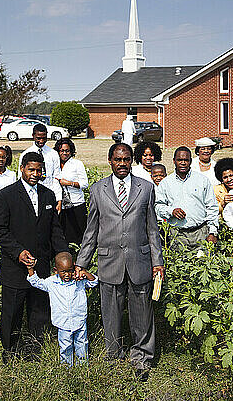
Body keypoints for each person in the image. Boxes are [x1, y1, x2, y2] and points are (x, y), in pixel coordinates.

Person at [75, 143, 164, 381]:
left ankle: (142, 358)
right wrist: (81, 262)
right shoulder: (97, 190)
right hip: (109, 261)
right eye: (117, 159)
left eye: (126, 159)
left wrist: (158, 261)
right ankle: (113, 356)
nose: (122, 164)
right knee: (111, 314)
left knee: (142, 313)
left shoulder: (145, 188)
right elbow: (91, 230)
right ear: (110, 160)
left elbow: (152, 228)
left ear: (131, 161)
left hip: (139, 260)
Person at [0, 151, 69, 361]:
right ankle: (10, 352)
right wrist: (18, 252)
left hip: (41, 267)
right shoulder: (5, 195)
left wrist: (63, 257)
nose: (35, 174)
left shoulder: (48, 195)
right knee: (12, 313)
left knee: (39, 311)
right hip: (15, 269)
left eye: (39, 170)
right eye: (31, 169)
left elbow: (55, 231)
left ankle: (35, 351)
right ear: (22, 169)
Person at [27, 251, 98, 366]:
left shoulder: (78, 280)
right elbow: (35, 282)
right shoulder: (51, 283)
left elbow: (94, 282)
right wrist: (30, 269)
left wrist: (84, 272)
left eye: (70, 270)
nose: (67, 275)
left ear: (74, 267)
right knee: (65, 346)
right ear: (56, 270)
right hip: (63, 322)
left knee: (82, 343)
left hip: (79, 319)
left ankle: (83, 366)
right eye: (63, 272)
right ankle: (66, 367)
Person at [155, 146, 219, 251]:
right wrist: (171, 211)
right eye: (180, 160)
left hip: (200, 233)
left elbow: (212, 207)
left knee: (202, 265)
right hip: (177, 235)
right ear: (174, 161)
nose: (183, 163)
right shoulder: (166, 183)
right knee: (179, 265)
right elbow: (158, 206)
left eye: (186, 160)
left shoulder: (202, 180)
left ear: (190, 161)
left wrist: (212, 232)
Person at [54, 137, 88, 246]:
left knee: (78, 236)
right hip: (60, 205)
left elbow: (84, 184)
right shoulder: (55, 164)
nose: (64, 153)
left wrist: (69, 183)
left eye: (67, 150)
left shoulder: (77, 164)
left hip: (76, 204)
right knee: (62, 235)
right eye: (62, 151)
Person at [18, 123, 61, 204]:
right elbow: (21, 177)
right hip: (31, 194)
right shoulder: (25, 154)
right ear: (33, 136)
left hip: (48, 193)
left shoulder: (53, 154)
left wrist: (58, 198)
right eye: (38, 138)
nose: (41, 141)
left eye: (44, 138)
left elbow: (56, 177)